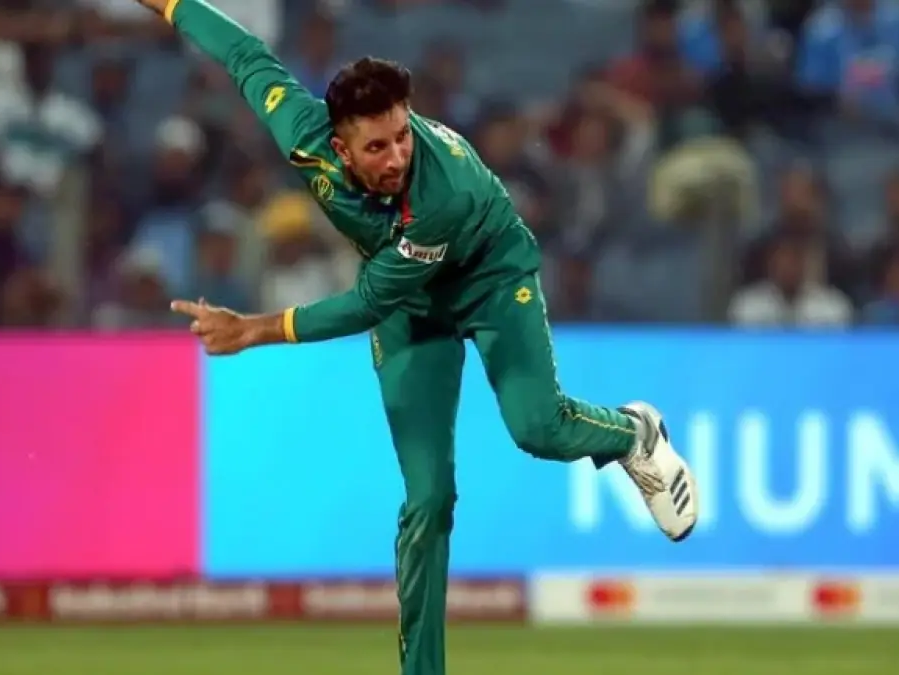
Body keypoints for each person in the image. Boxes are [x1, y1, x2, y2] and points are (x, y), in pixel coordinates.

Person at [130, 1, 699, 673]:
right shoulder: (304, 132)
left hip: (489, 278)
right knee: (428, 500)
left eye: (402, 135)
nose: (399, 154)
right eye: (378, 146)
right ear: (340, 147)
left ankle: (634, 434)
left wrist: (253, 329)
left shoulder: (439, 196)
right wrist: (171, 4)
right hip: (411, 303)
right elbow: (242, 53)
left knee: (538, 429)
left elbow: (370, 301)